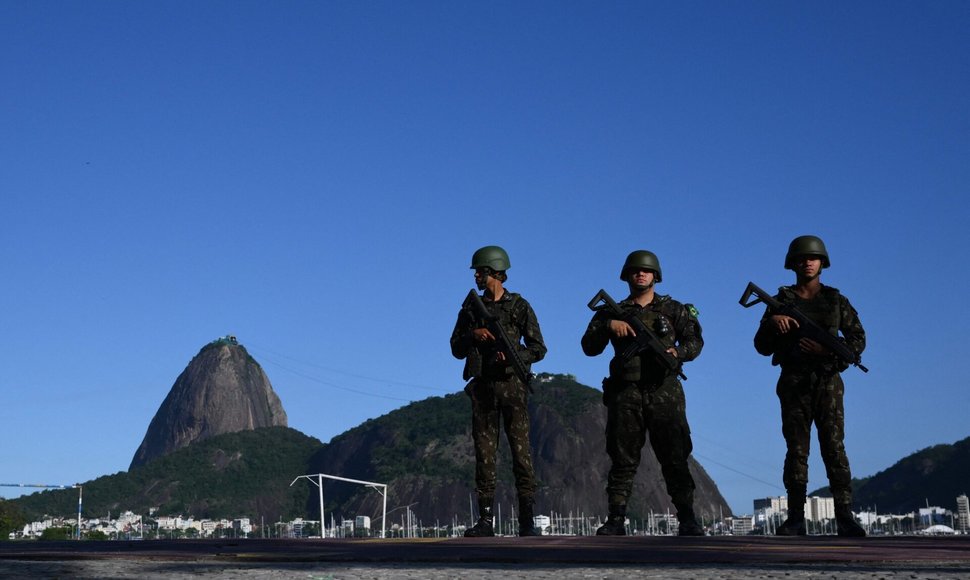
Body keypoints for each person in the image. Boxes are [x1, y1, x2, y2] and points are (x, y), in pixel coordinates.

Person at [582, 250, 705, 536]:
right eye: (635, 270)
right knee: (622, 458)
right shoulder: (611, 311)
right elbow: (589, 346)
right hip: (626, 392)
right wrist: (608, 326)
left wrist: (678, 352)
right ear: (626, 275)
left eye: (646, 271)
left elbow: (695, 341)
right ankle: (616, 519)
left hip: (664, 391)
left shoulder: (674, 309)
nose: (641, 274)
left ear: (655, 276)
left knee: (675, 456)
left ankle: (687, 518)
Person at [753, 235, 867, 537]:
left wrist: (826, 351)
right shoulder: (782, 302)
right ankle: (795, 518)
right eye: (802, 258)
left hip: (828, 383)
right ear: (793, 263)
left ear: (822, 263)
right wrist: (772, 322)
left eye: (813, 258)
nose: (807, 262)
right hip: (793, 382)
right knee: (796, 451)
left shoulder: (836, 301)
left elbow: (857, 342)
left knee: (834, 448)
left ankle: (845, 515)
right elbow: (761, 347)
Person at [450, 245, 547, 537]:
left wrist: (516, 353)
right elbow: (456, 348)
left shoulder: (519, 306)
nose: (476, 276)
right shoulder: (470, 309)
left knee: (521, 454)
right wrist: (473, 335)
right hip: (483, 388)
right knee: (484, 455)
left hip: (512, 388)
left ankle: (527, 519)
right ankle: (485, 520)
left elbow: (538, 348)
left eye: (480, 271)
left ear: (494, 273)